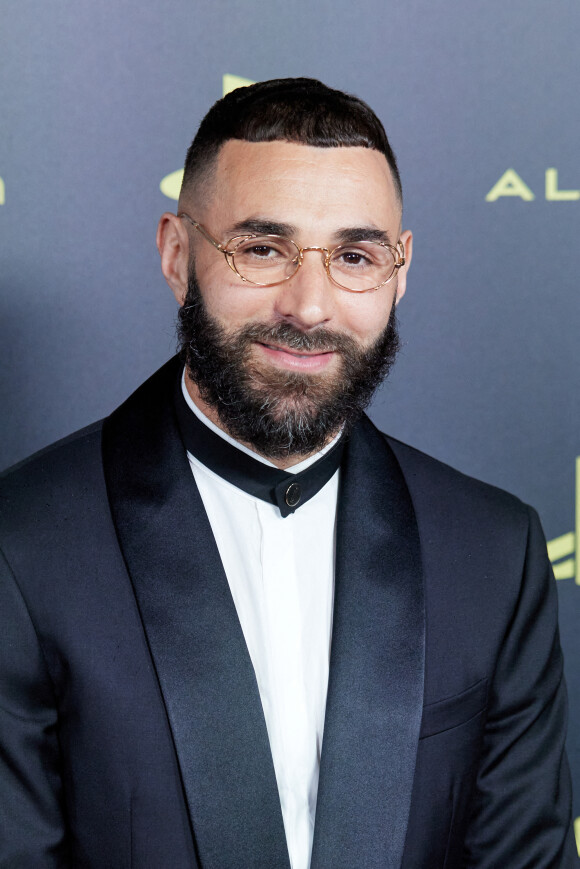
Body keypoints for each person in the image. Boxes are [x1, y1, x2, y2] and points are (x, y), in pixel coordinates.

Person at [0, 78, 576, 869]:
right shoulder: (21, 546)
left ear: (400, 271)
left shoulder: (494, 552)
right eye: (263, 248)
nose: (309, 305)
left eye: (353, 255)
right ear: (178, 254)